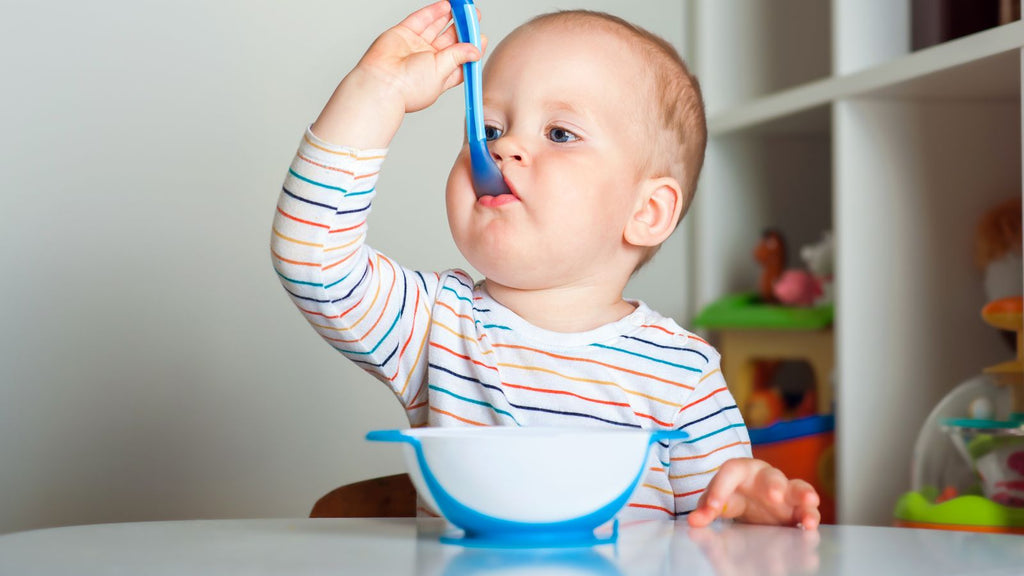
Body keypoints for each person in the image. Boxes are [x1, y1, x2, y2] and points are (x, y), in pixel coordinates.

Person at [271, 1, 820, 528]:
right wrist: (378, 91)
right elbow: (312, 258)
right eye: (488, 130)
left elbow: (719, 529)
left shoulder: (684, 375)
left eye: (559, 133)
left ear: (647, 212)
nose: (503, 148)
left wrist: (750, 509)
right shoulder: (437, 323)